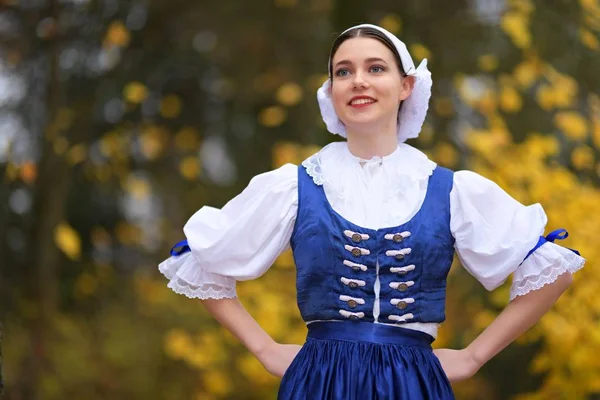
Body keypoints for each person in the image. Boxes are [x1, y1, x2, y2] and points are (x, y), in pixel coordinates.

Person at [159, 24, 585, 399]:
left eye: (375, 68)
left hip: (415, 381)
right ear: (330, 90)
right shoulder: (295, 184)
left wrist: (473, 356)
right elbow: (201, 259)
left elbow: (551, 271)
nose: (358, 81)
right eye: (343, 71)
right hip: (319, 381)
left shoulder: (451, 188)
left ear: (406, 86)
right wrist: (266, 349)